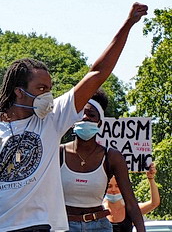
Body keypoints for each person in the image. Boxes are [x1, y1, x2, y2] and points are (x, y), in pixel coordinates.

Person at [0, 2, 148, 232]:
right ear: (18, 91)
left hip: (42, 227)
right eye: (40, 88)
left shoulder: (52, 119)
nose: (47, 94)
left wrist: (128, 24)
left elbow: (97, 74)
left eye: (49, 89)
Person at [60, 90, 144, 231]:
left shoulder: (112, 157)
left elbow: (130, 202)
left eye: (91, 115)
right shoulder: (58, 153)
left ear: (99, 122)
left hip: (99, 226)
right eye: (81, 114)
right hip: (64, 225)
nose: (85, 118)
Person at [104, 163, 160, 232]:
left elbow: (154, 203)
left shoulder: (131, 209)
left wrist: (151, 178)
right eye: (109, 186)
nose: (113, 190)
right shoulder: (97, 209)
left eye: (117, 186)